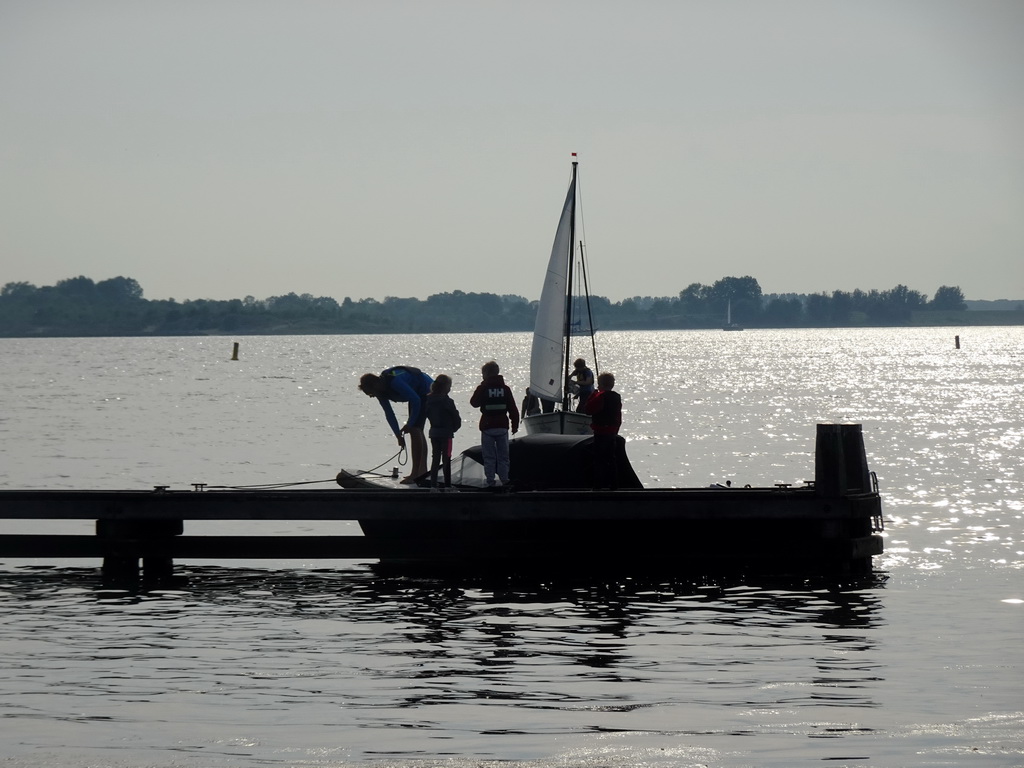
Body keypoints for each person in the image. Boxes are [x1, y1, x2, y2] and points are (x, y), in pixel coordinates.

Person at [359, 365, 433, 484]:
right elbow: (389, 414)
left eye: (371, 393)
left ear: (376, 385)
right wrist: (398, 435)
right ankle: (421, 472)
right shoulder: (380, 392)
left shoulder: (394, 382)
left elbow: (416, 400)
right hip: (416, 395)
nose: (371, 396)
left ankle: (416, 474)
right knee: (417, 429)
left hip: (426, 390)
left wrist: (409, 423)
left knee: (415, 429)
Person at [470, 360, 520, 488]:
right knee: (504, 456)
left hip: (487, 426)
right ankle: (505, 479)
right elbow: (513, 409)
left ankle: (490, 481)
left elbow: (474, 403)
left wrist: (482, 386)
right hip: (502, 426)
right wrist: (515, 425)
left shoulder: (484, 388)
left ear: (486, 374)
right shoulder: (505, 389)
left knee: (489, 456)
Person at [584, 371, 622, 490]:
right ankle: (614, 485)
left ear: (600, 384)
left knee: (599, 459)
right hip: (611, 431)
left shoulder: (600, 396)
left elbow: (588, 409)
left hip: (601, 432)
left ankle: (598, 486)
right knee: (611, 459)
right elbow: (618, 415)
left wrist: (593, 394)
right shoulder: (616, 397)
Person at [425, 374, 461, 490]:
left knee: (435, 459)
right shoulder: (447, 401)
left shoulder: (428, 400)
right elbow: (455, 417)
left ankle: (433, 485)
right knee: (447, 458)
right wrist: (454, 428)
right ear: (445, 387)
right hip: (447, 434)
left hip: (434, 433)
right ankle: (447, 485)